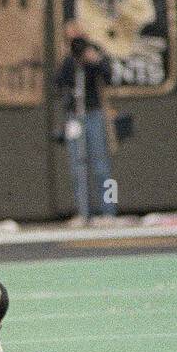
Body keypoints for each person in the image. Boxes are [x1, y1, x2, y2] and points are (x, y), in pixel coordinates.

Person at [55, 23, 117, 223]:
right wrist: (70, 57)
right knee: (77, 167)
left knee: (101, 166)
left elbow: (109, 75)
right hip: (75, 116)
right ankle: (83, 212)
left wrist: (95, 59)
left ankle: (109, 212)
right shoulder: (68, 61)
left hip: (93, 113)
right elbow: (58, 83)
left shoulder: (94, 54)